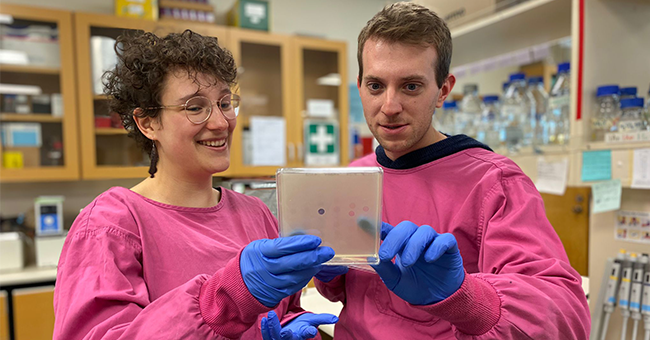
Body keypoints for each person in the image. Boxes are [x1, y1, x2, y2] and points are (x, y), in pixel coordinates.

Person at [314, 3, 591, 339]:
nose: (389, 106)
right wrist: (328, 273)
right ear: (359, 86)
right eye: (376, 86)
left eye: (411, 86)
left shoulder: (494, 183)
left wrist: (464, 297)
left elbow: (566, 315)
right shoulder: (354, 177)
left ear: (443, 90)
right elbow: (346, 295)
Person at [53, 30, 337, 339]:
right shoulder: (110, 225)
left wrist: (291, 325)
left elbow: (283, 310)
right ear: (147, 122)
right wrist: (224, 299)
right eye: (194, 107)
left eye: (225, 103)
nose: (220, 122)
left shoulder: (255, 212)